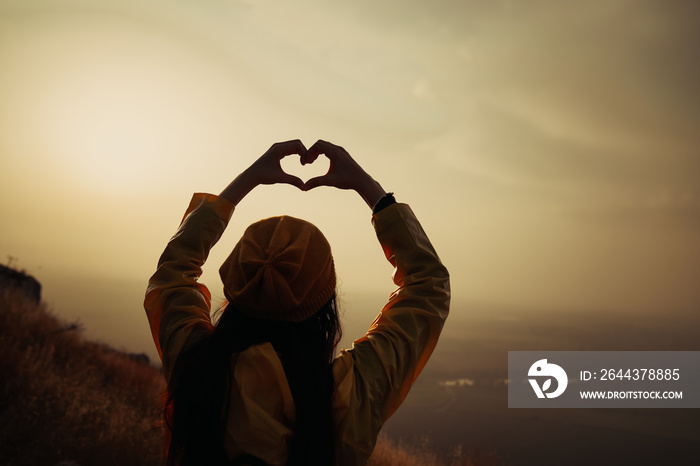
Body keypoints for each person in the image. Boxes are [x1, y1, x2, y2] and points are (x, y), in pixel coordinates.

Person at [144, 140, 450, 466]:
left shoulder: (192, 363)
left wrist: (247, 180)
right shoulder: (347, 395)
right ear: (325, 306)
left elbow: (172, 274)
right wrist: (369, 188)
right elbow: (428, 286)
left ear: (235, 286)